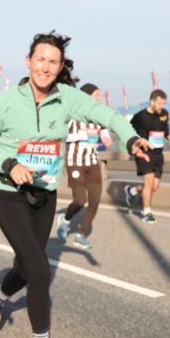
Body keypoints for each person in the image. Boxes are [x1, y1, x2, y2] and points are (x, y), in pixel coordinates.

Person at [0, 31, 150, 338]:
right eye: (41, 59)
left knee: (26, 265)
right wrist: (8, 164)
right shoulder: (6, 102)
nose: (46, 67)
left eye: (54, 62)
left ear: (60, 66)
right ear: (28, 62)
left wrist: (130, 137)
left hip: (44, 196)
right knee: (39, 271)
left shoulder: (67, 98)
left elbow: (107, 115)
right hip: (8, 193)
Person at [56, 83, 111, 249]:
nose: (99, 98)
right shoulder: (73, 115)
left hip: (93, 163)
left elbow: (105, 133)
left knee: (94, 202)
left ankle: (81, 234)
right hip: (75, 162)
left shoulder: (99, 116)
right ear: (86, 97)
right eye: (96, 95)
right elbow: (61, 134)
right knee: (80, 200)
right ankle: (65, 220)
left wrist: (106, 136)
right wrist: (82, 134)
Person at [124, 90, 170, 224]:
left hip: (158, 154)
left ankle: (132, 190)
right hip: (144, 153)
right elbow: (127, 129)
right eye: (159, 103)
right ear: (152, 101)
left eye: (163, 103)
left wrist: (168, 135)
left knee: (154, 187)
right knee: (149, 183)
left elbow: (164, 128)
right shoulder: (140, 116)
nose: (161, 106)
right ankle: (147, 212)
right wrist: (134, 145)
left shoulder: (164, 114)